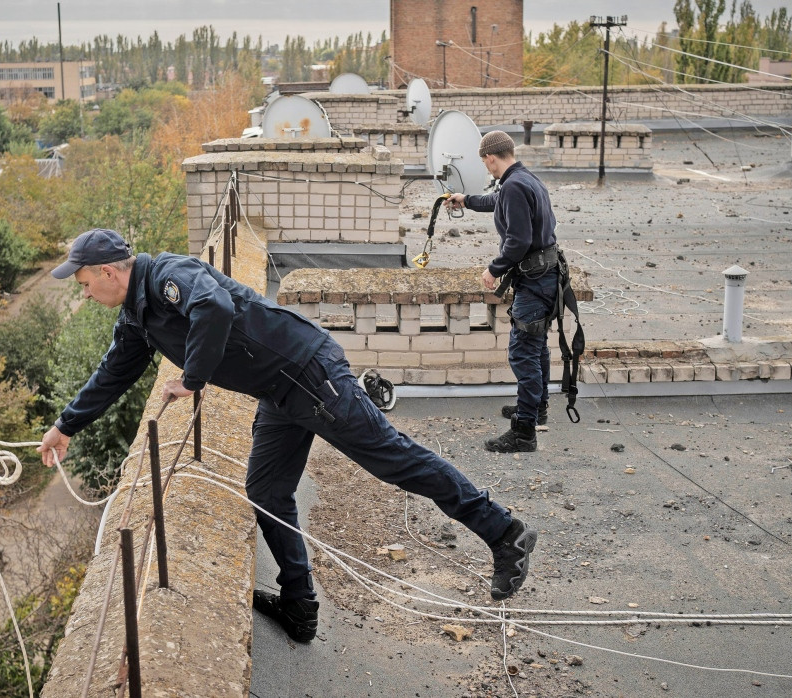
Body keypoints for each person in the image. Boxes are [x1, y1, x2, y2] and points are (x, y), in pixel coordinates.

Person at [37, 228, 538, 644]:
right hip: (279, 390)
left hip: (309, 374)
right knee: (267, 491)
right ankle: (299, 605)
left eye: (83, 283)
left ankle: (504, 532)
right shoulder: (136, 315)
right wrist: (64, 427)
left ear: (108, 271)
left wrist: (191, 379)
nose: (84, 294)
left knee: (395, 460)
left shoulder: (168, 275)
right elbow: (112, 374)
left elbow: (213, 306)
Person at [447, 130, 559, 454]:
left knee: (522, 352)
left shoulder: (512, 185)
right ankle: (535, 409)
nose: (487, 169)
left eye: (486, 163)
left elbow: (519, 241)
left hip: (536, 283)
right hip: (546, 277)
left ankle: (524, 433)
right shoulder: (526, 179)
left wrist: (493, 269)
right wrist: (465, 201)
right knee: (536, 349)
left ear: (491, 158)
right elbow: (496, 202)